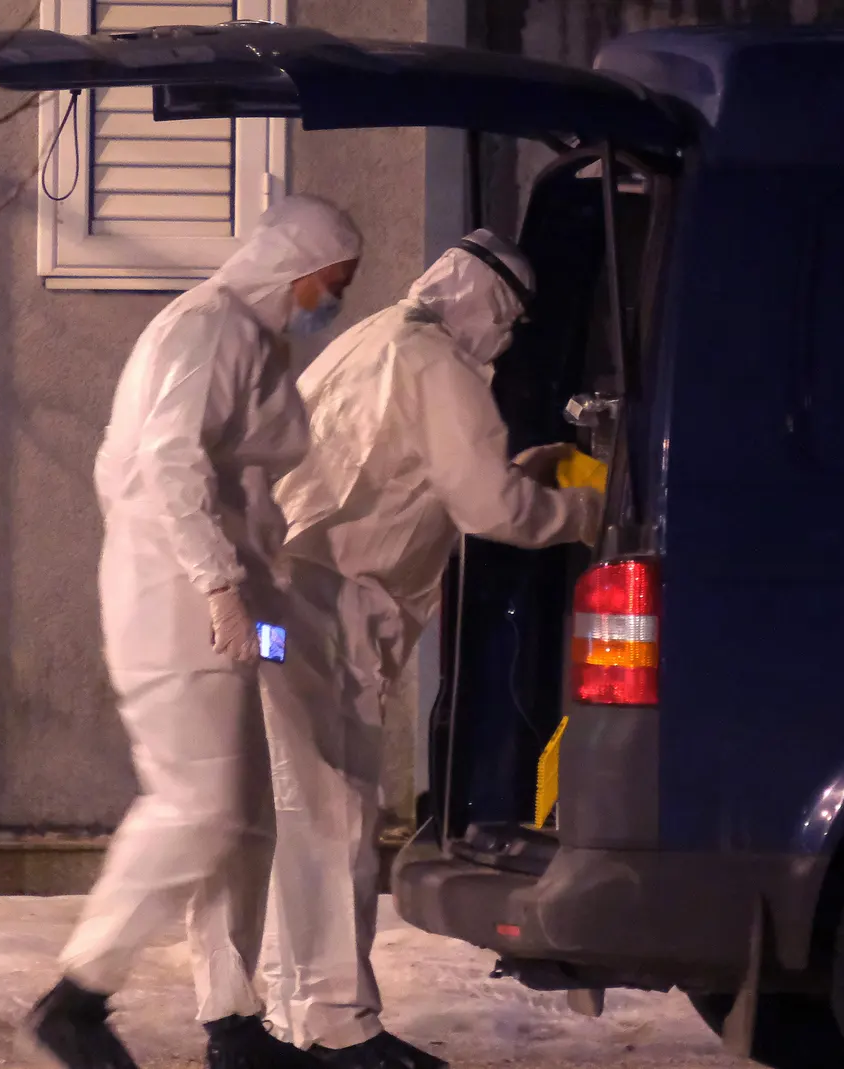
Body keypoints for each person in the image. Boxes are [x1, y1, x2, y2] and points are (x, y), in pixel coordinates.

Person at [256, 229, 603, 1069]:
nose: (510, 338)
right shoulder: (440, 365)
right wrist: (581, 515)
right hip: (335, 605)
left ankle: (284, 1010)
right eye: (510, 320)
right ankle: (342, 1025)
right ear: (486, 302)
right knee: (334, 813)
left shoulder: (376, 337)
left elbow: (415, 471)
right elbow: (492, 510)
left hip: (280, 595)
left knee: (299, 814)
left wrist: (517, 467)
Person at [30, 195, 364, 1069]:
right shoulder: (210, 326)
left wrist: (284, 635)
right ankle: (77, 998)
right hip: (176, 598)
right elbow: (164, 459)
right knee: (198, 804)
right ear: (298, 266)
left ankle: (232, 1019)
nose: (337, 298)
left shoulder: (254, 339)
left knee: (241, 813)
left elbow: (241, 494)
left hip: (228, 607)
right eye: (335, 281)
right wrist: (219, 584)